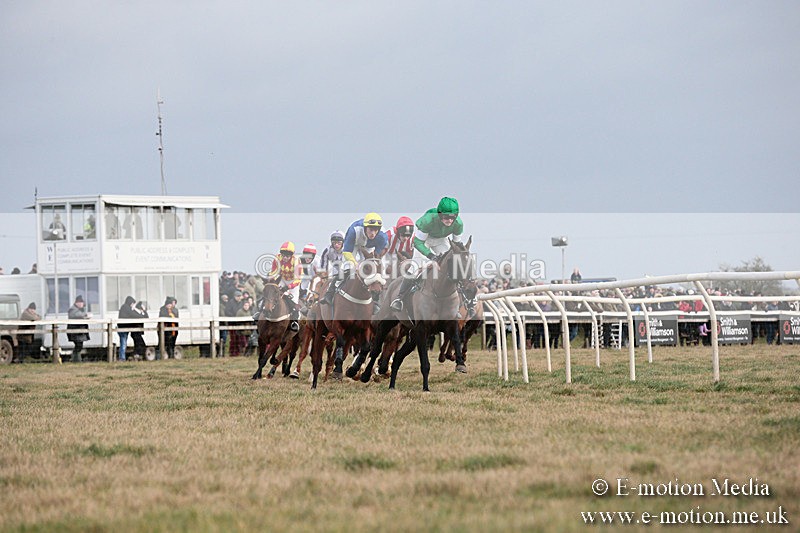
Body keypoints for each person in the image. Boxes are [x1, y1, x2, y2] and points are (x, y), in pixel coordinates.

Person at [391, 197, 464, 312]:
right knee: (414, 268)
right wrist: (430, 255)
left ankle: (459, 300)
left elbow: (456, 245)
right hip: (425, 240)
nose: (449, 221)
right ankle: (399, 298)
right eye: (446, 217)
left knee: (452, 266)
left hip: (441, 240)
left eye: (452, 217)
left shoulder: (458, 224)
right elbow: (417, 242)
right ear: (440, 214)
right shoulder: (428, 220)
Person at [321, 214, 387, 312]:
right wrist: (355, 263)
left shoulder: (382, 237)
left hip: (368, 247)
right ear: (365, 227)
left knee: (374, 270)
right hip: (354, 245)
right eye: (371, 230)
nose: (373, 233)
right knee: (347, 267)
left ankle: (375, 302)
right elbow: (347, 252)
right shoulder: (354, 230)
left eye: (376, 230)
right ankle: (329, 294)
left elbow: (376, 256)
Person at [266, 242, 303, 332]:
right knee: (270, 295)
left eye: (287, 256)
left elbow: (298, 279)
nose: (285, 258)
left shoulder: (296, 261)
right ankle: (261, 313)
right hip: (281, 280)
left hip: (293, 282)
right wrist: (272, 281)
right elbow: (273, 272)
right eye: (284, 255)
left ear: (291, 255)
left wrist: (288, 287)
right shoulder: (277, 258)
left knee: (293, 303)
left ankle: (294, 322)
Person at [67, 295, 90, 362]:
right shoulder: (72, 309)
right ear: (77, 303)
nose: (82, 304)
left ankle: (76, 359)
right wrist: (85, 315)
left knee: (79, 346)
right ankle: (76, 360)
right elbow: (75, 315)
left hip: (79, 331)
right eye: (80, 303)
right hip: (75, 331)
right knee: (78, 345)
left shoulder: (80, 309)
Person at [117, 296, 137, 361]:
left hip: (122, 328)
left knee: (123, 343)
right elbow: (133, 315)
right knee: (123, 343)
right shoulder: (126, 308)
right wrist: (135, 310)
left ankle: (122, 357)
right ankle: (122, 358)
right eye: (132, 303)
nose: (133, 305)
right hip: (123, 328)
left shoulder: (124, 307)